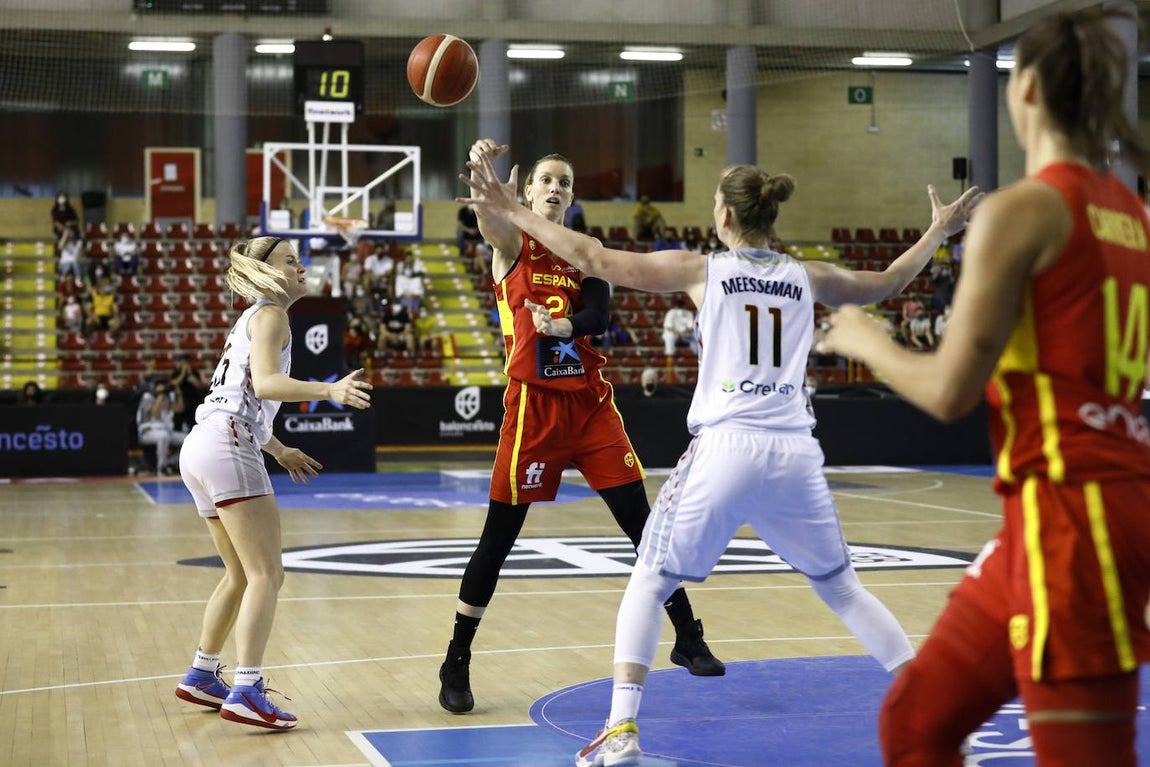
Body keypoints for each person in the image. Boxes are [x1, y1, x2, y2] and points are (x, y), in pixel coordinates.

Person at [459, 146, 981, 765]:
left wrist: (515, 210)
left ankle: (621, 730)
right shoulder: (805, 275)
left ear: (726, 218)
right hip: (795, 450)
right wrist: (937, 232)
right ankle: (941, 715)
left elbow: (592, 258)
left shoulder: (703, 269)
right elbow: (890, 281)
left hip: (728, 444)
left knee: (649, 579)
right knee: (843, 590)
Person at [819, 8, 1150, 767]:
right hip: (1060, 510)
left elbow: (948, 391)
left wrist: (866, 340)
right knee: (916, 722)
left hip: (1077, 522)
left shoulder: (1024, 208)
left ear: (1024, 87)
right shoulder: (1131, 214)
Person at [435, 139, 725, 717]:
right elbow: (492, 224)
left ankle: (687, 636)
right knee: (499, 537)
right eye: (546, 179)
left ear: (571, 196)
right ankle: (456, 659)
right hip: (534, 409)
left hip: (591, 405)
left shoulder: (587, 252)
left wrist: (564, 326)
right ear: (529, 190)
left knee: (642, 522)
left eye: (564, 182)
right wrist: (486, 182)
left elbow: (598, 314)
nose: (555, 187)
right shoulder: (513, 244)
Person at [173, 236, 372, 730]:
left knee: (240, 574)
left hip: (202, 445)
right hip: (227, 444)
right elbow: (264, 384)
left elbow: (242, 394)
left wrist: (279, 449)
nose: (300, 266)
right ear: (266, 272)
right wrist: (330, 389)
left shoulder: (253, 317)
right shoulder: (271, 316)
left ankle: (201, 674)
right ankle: (246, 689)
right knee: (267, 575)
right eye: (289, 260)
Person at [136, 378, 186, 474]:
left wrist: (178, 393)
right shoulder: (148, 397)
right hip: (147, 431)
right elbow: (154, 413)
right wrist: (160, 394)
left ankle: (172, 463)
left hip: (165, 431)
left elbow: (180, 408)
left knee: (187, 439)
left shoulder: (166, 397)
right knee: (163, 436)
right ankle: (161, 467)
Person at [169, 354, 207, 433]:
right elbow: (174, 383)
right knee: (179, 424)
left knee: (192, 423)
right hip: (180, 400)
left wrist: (190, 373)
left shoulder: (194, 372)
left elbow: (199, 386)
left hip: (193, 401)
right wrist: (183, 373)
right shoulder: (176, 373)